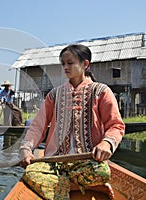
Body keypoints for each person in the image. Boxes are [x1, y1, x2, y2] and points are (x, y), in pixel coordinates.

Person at [19, 44, 125, 199]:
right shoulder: (54, 95)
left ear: (85, 64)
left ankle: (61, 186)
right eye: (63, 63)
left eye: (70, 63)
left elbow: (115, 125)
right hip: (54, 161)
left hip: (86, 161)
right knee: (31, 173)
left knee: (101, 171)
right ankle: (76, 186)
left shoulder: (101, 91)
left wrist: (106, 143)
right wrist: (26, 148)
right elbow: (38, 126)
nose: (65, 67)